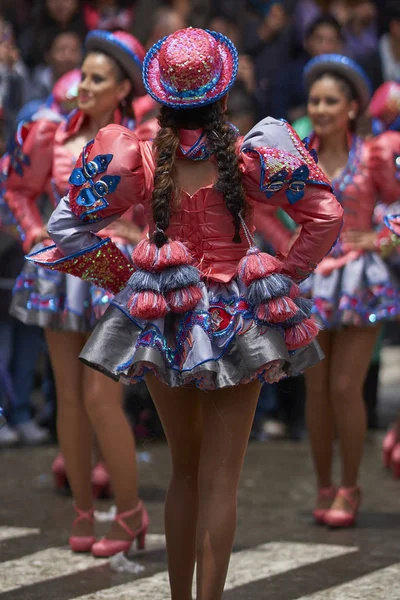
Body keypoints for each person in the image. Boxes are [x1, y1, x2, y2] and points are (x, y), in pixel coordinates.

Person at [30, 28, 343, 598]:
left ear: (162, 99)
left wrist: (129, 278)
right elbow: (325, 216)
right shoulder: (252, 157)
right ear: (222, 97)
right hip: (241, 320)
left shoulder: (139, 158)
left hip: (167, 319)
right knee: (222, 482)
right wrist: (284, 274)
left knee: (184, 472)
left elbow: (64, 229)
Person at [2, 30, 150, 557]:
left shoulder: (144, 139)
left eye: (96, 79)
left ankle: (130, 512)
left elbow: (164, 205)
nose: (82, 86)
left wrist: (142, 233)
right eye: (82, 76)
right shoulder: (46, 134)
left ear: (122, 89)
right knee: (66, 396)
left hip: (113, 276)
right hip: (60, 277)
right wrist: (33, 230)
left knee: (100, 397)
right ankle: (84, 511)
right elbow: (17, 188)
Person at [302, 54, 400, 528]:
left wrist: (383, 239)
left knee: (345, 387)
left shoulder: (377, 153)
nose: (319, 109)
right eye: (315, 100)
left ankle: (351, 486)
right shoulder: (297, 155)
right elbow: (262, 209)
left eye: (330, 101)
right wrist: (288, 251)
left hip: (360, 280)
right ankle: (324, 485)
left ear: (352, 108)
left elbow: (398, 201)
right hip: (311, 280)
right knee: (316, 389)